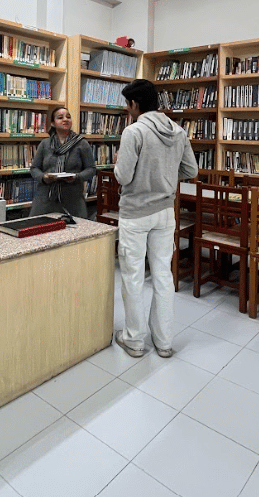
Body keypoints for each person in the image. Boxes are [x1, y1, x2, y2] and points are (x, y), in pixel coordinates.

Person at [114, 79, 198, 358]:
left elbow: (123, 176)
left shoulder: (133, 132)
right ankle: (164, 342)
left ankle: (135, 341)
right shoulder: (177, 131)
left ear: (135, 105)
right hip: (165, 212)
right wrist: (164, 174)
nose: (128, 110)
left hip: (136, 213)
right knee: (163, 276)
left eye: (128, 105)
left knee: (133, 277)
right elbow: (190, 169)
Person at [29, 106, 96, 219]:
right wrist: (44, 177)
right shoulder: (45, 144)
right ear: (53, 124)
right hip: (45, 200)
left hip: (73, 200)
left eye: (68, 117)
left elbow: (91, 169)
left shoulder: (82, 144)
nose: (65, 119)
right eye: (60, 117)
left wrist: (76, 177)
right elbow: (34, 168)